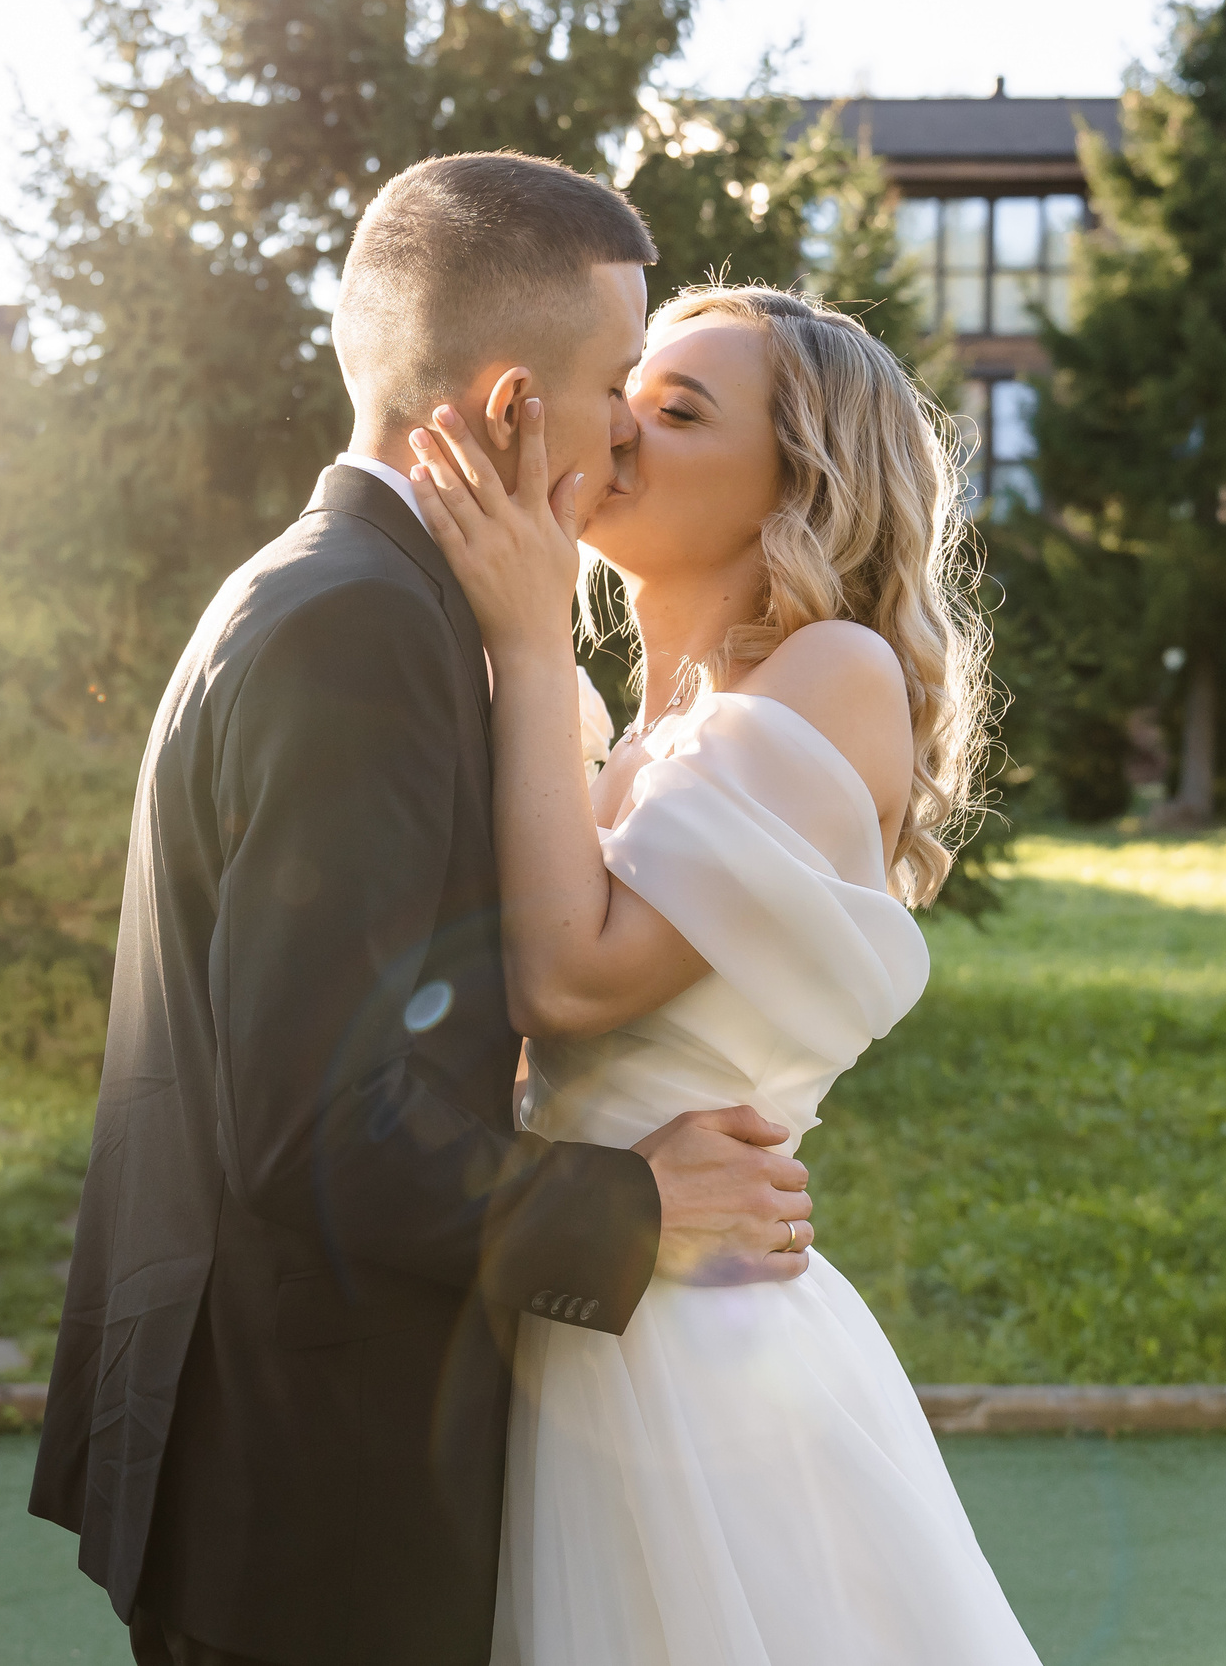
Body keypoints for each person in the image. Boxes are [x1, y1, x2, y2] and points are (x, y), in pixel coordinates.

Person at [30, 154, 817, 1666]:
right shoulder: (362, 629)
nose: (626, 433)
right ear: (514, 406)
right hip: (314, 1501)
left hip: (278, 1464)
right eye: (616, 389)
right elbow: (319, 1128)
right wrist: (640, 1206)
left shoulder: (331, 585)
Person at [410, 283, 1042, 1664]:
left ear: (798, 487)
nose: (619, 429)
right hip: (577, 1304)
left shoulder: (834, 672)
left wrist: (526, 636)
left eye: (681, 411)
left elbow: (568, 985)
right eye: (628, 392)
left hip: (698, 1361)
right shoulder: (626, 735)